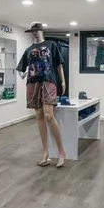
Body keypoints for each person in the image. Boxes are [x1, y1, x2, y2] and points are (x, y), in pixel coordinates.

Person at [17, 22, 67, 167]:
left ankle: (61, 151)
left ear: (41, 30)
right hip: (33, 83)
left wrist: (63, 81)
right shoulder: (28, 50)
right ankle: (45, 153)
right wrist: (22, 74)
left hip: (48, 81)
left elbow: (58, 64)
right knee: (39, 116)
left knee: (49, 116)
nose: (34, 32)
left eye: (36, 30)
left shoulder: (51, 45)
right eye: (32, 30)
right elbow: (20, 68)